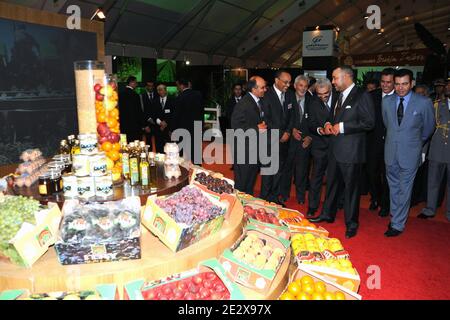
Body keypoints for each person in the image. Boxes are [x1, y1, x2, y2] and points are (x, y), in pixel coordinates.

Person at [309, 66, 375, 239]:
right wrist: (327, 125)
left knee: (351, 190)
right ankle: (327, 214)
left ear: (346, 77)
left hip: (352, 153)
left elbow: (369, 123)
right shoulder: (338, 96)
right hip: (335, 150)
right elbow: (333, 118)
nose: (333, 81)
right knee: (331, 185)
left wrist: (343, 127)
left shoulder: (362, 95)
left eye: (335, 78)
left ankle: (352, 223)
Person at [382, 69, 435, 237]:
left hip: (410, 153)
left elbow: (428, 128)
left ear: (412, 83)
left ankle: (397, 223)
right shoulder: (387, 102)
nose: (400, 88)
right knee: (393, 187)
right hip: (390, 152)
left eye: (404, 84)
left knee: (405, 189)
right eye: (397, 84)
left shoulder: (423, 102)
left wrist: (416, 143)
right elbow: (387, 124)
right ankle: (395, 214)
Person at [418, 78, 450, 222]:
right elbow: (428, 129)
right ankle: (430, 209)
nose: (447, 87)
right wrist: (424, 150)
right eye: (447, 85)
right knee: (433, 181)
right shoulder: (436, 105)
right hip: (437, 149)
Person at [260, 70, 294, 205]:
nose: (288, 85)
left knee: (280, 171)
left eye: (289, 82)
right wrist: (281, 133)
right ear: (276, 80)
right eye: (285, 82)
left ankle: (274, 197)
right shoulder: (266, 95)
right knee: (268, 172)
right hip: (270, 141)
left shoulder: (290, 95)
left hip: (285, 141)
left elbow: (293, 116)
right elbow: (265, 118)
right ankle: (264, 199)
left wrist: (288, 132)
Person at [231, 76, 268, 195]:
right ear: (254, 89)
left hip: (253, 150)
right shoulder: (244, 103)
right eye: (262, 87)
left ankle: (246, 208)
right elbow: (236, 127)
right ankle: (238, 210)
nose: (265, 89)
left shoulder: (257, 101)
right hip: (244, 152)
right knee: (242, 185)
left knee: (250, 184)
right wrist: (256, 128)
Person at [306, 78, 338, 217]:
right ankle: (312, 206)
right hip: (320, 146)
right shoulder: (313, 102)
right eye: (319, 94)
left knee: (334, 177)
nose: (322, 97)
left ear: (330, 90)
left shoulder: (339, 98)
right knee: (316, 178)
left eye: (325, 94)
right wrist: (320, 130)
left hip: (337, 146)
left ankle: (332, 205)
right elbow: (311, 123)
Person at [366, 68, 395, 217]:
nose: (385, 85)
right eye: (383, 82)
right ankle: (375, 197)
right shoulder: (371, 96)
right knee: (372, 173)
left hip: (392, 145)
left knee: (388, 175)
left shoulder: (399, 97)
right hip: (373, 143)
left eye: (389, 82)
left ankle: (385, 203)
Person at [280, 75, 312, 205]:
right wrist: (291, 129)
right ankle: (283, 194)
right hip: (289, 142)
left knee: (302, 171)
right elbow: (282, 118)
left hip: (305, 142)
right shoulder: (287, 98)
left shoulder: (312, 100)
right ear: (295, 86)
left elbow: (315, 121)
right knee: (286, 170)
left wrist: (310, 137)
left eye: (305, 86)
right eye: (300, 85)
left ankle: (300, 196)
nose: (303, 89)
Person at [172, 78, 204, 164]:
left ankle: (183, 173)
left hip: (183, 129)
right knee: (196, 154)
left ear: (181, 85)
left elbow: (176, 116)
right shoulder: (198, 94)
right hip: (196, 127)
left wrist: (173, 130)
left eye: (178, 86)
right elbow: (201, 112)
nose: (177, 88)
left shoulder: (179, 97)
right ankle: (199, 172)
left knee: (182, 154)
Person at [119, 76, 145, 142]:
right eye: (136, 83)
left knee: (124, 144)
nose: (136, 84)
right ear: (131, 83)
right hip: (134, 127)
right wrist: (143, 124)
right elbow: (139, 112)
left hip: (123, 126)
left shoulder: (120, 94)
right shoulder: (135, 95)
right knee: (135, 146)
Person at [151, 84, 174, 153]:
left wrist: (165, 123)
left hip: (169, 129)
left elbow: (173, 114)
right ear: (158, 91)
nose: (162, 91)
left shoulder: (172, 100)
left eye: (163, 89)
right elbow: (153, 115)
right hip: (158, 129)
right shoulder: (154, 101)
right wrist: (160, 123)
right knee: (159, 149)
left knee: (169, 149)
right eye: (160, 90)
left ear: (166, 90)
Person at [141, 80, 156, 149]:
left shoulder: (157, 95)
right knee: (147, 143)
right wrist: (145, 124)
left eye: (152, 86)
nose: (151, 87)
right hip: (146, 122)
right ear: (146, 87)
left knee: (159, 142)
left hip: (157, 122)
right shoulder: (141, 96)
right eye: (149, 86)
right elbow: (141, 111)